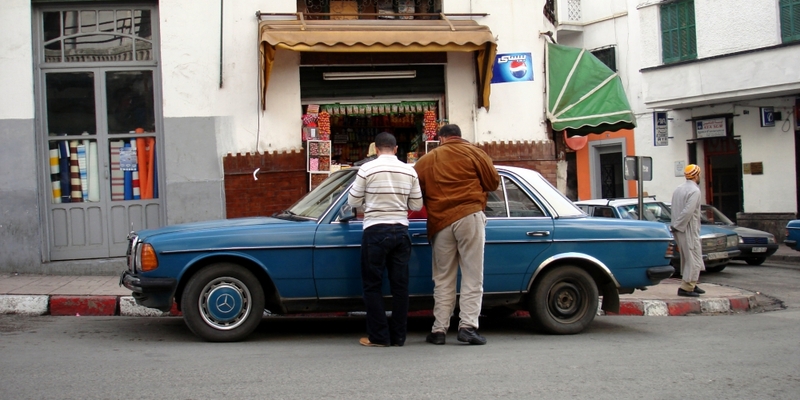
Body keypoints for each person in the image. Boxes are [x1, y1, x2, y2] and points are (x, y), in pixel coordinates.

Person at [413, 124, 500, 345]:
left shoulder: (426, 160)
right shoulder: (475, 152)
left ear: (441, 139)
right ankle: (468, 327)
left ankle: (439, 330)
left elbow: (415, 192)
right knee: (472, 275)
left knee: (443, 278)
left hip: (440, 222)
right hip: (470, 216)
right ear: (459, 137)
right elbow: (492, 182)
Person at [347, 132, 423, 347]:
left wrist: (370, 202)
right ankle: (399, 337)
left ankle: (379, 336)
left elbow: (353, 200)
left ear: (376, 149)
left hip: (375, 230)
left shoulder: (367, 169)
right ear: (396, 149)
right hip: (400, 231)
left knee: (372, 286)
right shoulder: (409, 170)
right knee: (400, 287)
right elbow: (416, 205)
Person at [671, 164, 705, 297]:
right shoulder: (695, 191)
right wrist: (678, 225)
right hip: (687, 228)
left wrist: (675, 227)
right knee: (693, 258)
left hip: (679, 228)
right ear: (696, 175)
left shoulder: (678, 189)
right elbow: (688, 212)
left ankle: (692, 284)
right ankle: (687, 287)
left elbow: (674, 209)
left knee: (687, 258)